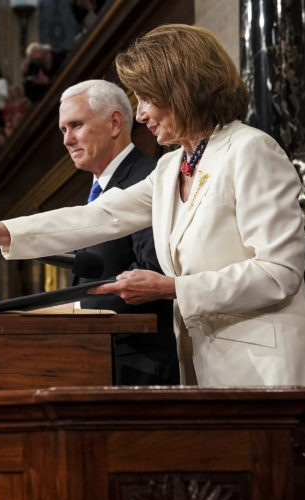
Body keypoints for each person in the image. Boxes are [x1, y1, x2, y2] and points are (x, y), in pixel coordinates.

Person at [0, 25, 305, 389]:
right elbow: (93, 217)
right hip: (211, 370)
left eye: (148, 97)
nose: (142, 113)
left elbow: (279, 274)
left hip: (277, 370)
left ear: (185, 88)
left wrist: (172, 288)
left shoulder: (250, 149)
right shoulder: (172, 167)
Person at [57, 79, 178, 385]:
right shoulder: (98, 189)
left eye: (75, 125)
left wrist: (73, 310)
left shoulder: (148, 178)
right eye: (63, 130)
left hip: (144, 367)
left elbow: (154, 269)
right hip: (103, 361)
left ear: (114, 123)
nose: (67, 140)